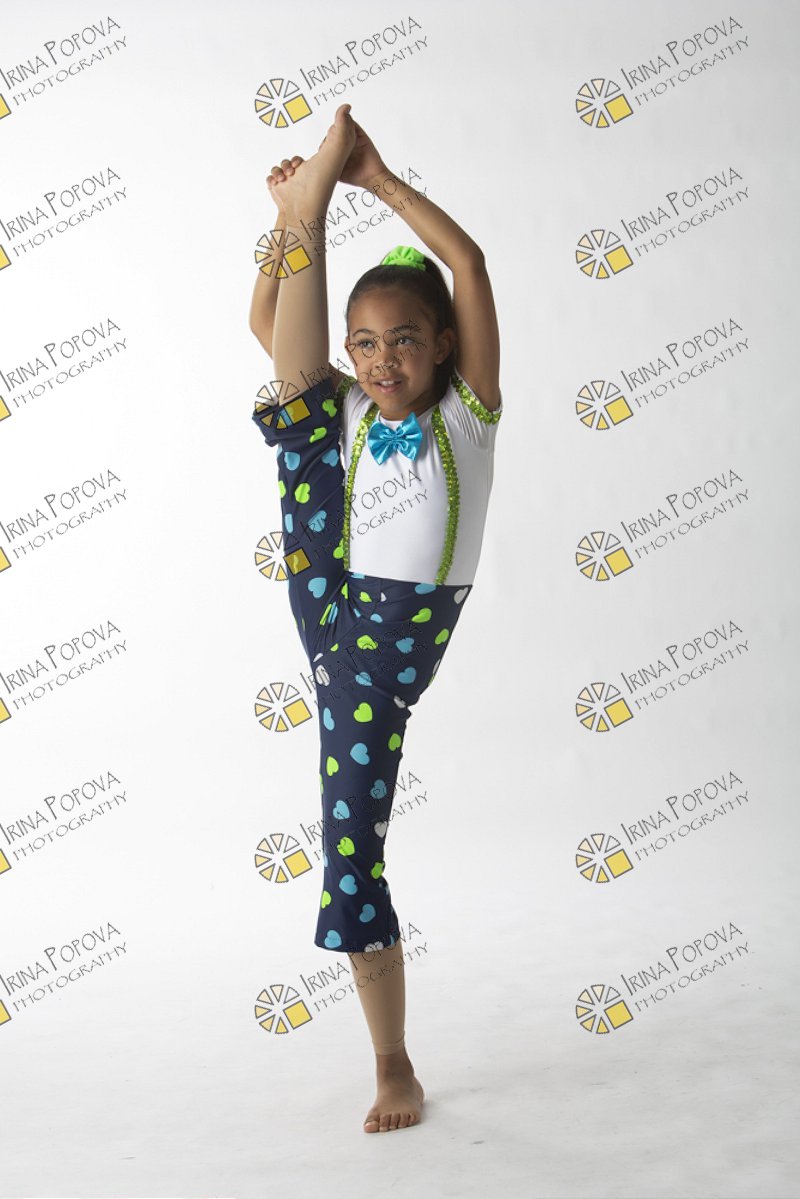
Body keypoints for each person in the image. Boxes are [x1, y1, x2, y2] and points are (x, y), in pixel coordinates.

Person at [249, 103, 502, 1134]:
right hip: (329, 596)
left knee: (350, 848)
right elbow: (267, 324)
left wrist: (377, 182)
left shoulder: (465, 417)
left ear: (442, 345)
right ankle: (392, 1064)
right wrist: (284, 225)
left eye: (402, 341)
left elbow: (468, 264)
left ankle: (394, 1063)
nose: (382, 360)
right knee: (300, 399)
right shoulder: (351, 405)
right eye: (365, 343)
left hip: (377, 650)